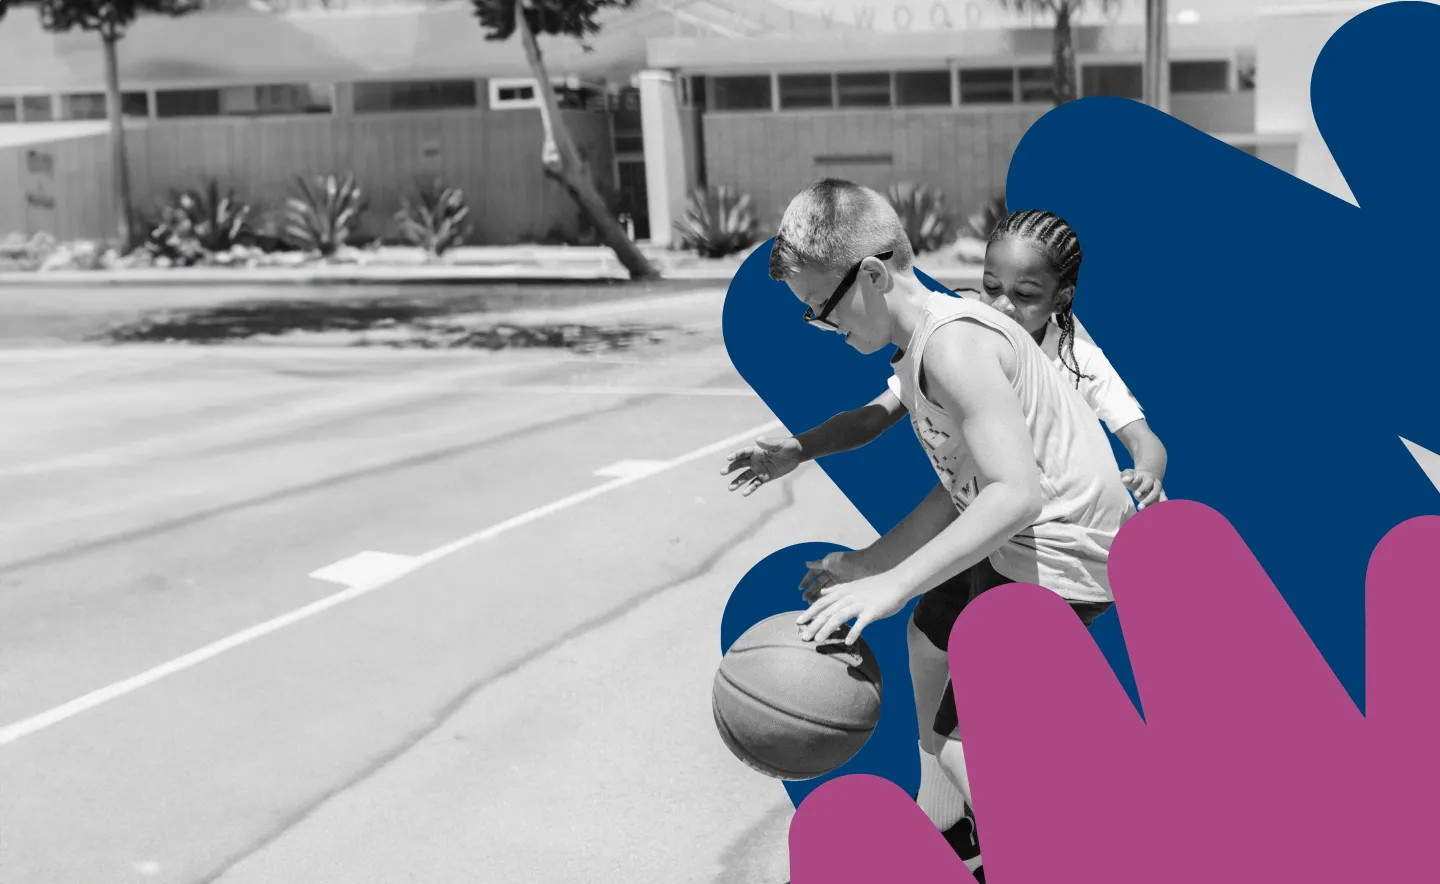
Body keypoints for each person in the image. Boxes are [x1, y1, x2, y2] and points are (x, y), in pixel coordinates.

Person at [721, 181, 1135, 880]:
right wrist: (867, 562)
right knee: (928, 638)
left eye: (821, 309)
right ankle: (953, 829)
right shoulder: (926, 343)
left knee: (958, 739)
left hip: (1060, 560)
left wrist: (889, 585)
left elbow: (1012, 494)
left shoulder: (955, 348)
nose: (823, 327)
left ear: (875, 275)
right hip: (1026, 541)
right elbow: (961, 490)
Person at [725, 209, 1166, 509]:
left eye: (1026, 295)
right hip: (989, 520)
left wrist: (1146, 474)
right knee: (925, 637)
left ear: (1062, 297)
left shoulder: (1077, 361)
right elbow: (871, 418)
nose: (1004, 305)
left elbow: (1143, 439)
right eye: (992, 286)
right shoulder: (960, 339)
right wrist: (801, 449)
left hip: (1050, 535)